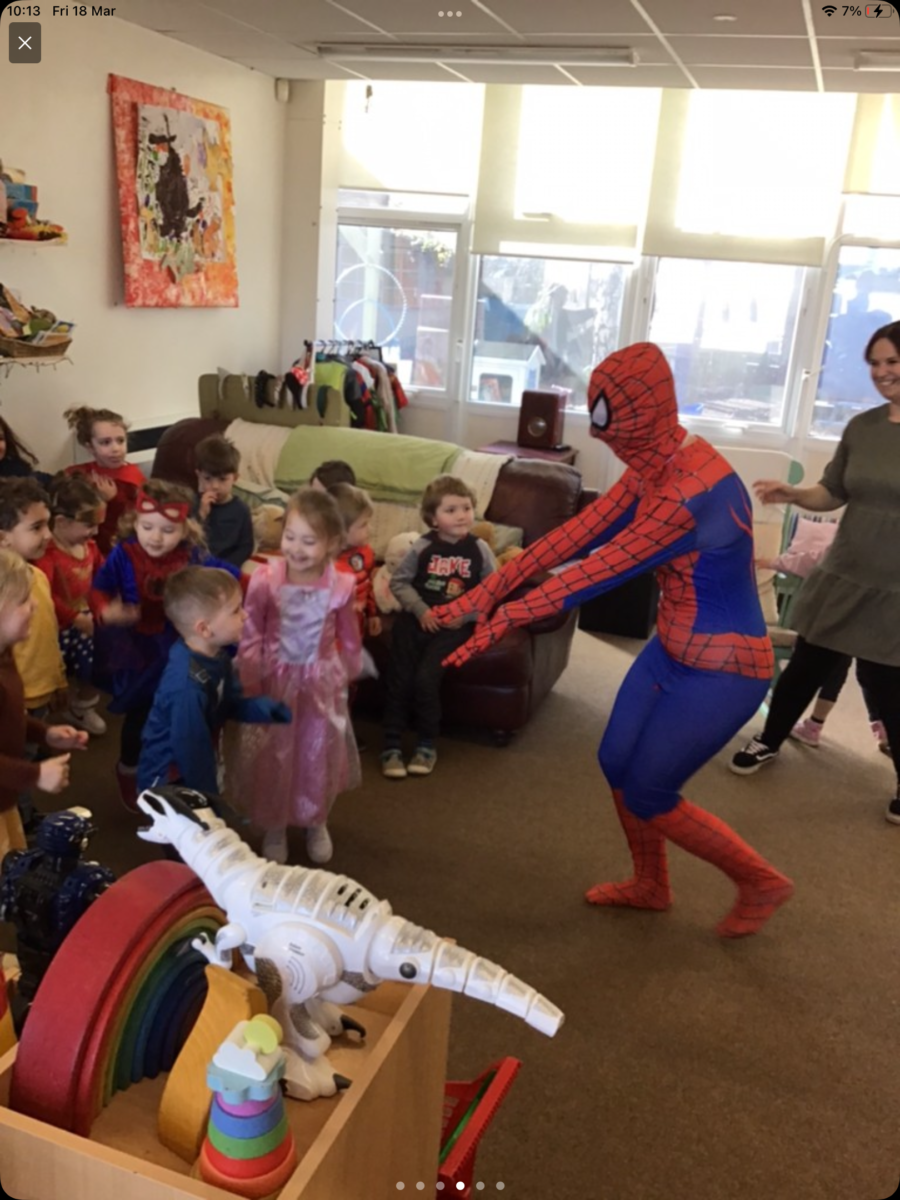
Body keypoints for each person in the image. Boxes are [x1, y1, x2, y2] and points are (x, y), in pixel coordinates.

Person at [433, 343, 792, 938]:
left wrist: (502, 614)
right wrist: (486, 592)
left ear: (647, 414)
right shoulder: (656, 464)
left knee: (650, 790)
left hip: (725, 671)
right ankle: (651, 884)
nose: (607, 441)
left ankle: (761, 880)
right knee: (615, 761)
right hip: (669, 652)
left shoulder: (693, 488)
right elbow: (576, 534)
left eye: (614, 426)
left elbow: (596, 571)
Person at [731, 320, 900, 824]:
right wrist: (794, 494)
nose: (882, 372)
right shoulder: (862, 428)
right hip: (845, 571)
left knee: (888, 684)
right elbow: (833, 491)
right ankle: (769, 738)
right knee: (808, 663)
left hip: (894, 586)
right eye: (874, 363)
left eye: (892, 361)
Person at [90, 478, 240, 810]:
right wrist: (105, 610)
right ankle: (129, 767)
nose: (156, 537)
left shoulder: (193, 555)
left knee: (183, 707)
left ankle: (177, 766)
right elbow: (99, 588)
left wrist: (263, 583)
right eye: (147, 527)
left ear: (185, 529)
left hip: (178, 644)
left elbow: (227, 575)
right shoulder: (123, 554)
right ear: (135, 523)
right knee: (140, 712)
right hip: (136, 647)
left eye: (167, 530)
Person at [232, 488, 362, 865]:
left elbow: (348, 636)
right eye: (290, 536)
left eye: (309, 540)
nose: (296, 548)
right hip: (275, 680)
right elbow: (251, 632)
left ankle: (315, 818)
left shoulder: (341, 583)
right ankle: (275, 822)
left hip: (320, 683)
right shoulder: (265, 579)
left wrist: (347, 672)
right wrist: (251, 679)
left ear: (332, 543)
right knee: (275, 753)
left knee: (316, 752)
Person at [380, 475, 497, 781]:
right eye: (451, 510)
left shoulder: (480, 549)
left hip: (454, 629)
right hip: (414, 622)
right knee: (399, 681)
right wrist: (421, 610)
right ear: (433, 518)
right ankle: (391, 745)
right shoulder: (422, 546)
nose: (461, 516)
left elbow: (494, 590)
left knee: (425, 680)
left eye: (466, 508)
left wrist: (467, 615)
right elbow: (399, 582)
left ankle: (426, 744)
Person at [137, 568, 290, 797]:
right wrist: (209, 798)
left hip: (196, 762)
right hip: (170, 778)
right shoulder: (186, 688)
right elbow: (191, 750)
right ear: (204, 629)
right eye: (235, 610)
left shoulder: (217, 656)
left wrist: (270, 710)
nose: (245, 615)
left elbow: (227, 702)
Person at [0, 549, 87, 858]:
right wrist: (35, 775)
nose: (34, 604)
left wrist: (43, 733)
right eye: (24, 600)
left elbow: (7, 717)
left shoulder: (4, 654)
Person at [33, 475, 107, 735]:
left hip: (85, 622)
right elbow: (45, 595)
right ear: (62, 522)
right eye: (89, 525)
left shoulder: (90, 547)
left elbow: (102, 577)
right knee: (51, 679)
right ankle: (38, 724)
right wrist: (74, 617)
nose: (95, 532)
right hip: (57, 629)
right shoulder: (48, 556)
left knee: (97, 666)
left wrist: (103, 606)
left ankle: (82, 707)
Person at [63, 405, 144, 555]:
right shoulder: (79, 473)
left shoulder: (133, 477)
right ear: (90, 447)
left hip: (119, 549)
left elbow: (136, 519)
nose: (116, 449)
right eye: (105, 442)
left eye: (120, 441)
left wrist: (113, 500)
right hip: (85, 548)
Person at [192, 434, 254, 570]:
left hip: (227, 568)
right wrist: (201, 515)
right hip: (197, 567)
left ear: (235, 478)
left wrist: (226, 567)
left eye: (222, 479)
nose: (215, 486)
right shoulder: (193, 504)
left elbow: (245, 547)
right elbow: (186, 540)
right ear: (199, 476)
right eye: (207, 478)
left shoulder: (241, 510)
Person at [330, 483, 381, 640]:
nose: (370, 529)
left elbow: (367, 583)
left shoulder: (365, 552)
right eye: (363, 525)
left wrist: (372, 613)